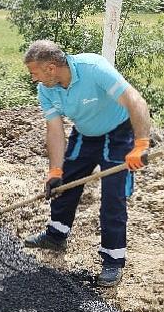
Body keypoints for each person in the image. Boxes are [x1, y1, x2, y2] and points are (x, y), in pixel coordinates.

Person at [23, 39, 151, 287]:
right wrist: (55, 169)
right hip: (85, 134)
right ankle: (56, 235)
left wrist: (141, 144)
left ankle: (113, 260)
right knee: (64, 185)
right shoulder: (46, 89)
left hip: (119, 134)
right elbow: (55, 130)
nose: (33, 78)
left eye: (34, 72)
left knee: (113, 198)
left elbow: (135, 101)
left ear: (51, 67)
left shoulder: (93, 68)